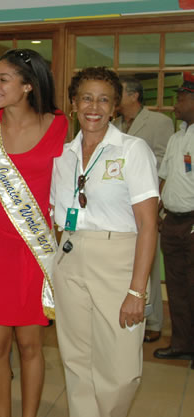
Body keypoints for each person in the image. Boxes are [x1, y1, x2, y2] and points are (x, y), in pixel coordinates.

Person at [51, 66, 158, 417]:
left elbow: (148, 226)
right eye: (86, 98)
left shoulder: (132, 149)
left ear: (114, 108)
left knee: (121, 368)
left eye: (103, 100)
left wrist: (137, 291)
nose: (93, 107)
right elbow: (58, 215)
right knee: (77, 360)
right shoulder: (64, 156)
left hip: (117, 260)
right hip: (71, 255)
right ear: (73, 103)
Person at [0, 49, 67, 417]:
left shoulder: (59, 125)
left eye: (3, 79)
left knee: (30, 345)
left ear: (28, 86)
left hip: (34, 247)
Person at [113, 75, 174, 343]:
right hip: (116, 207)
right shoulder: (114, 123)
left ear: (135, 95)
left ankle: (154, 322)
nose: (115, 98)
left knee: (148, 266)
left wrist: (156, 201)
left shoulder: (159, 122)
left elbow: (165, 163)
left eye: (119, 93)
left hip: (146, 202)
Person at [153, 72, 194, 362]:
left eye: (180, 98)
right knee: (178, 289)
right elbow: (164, 176)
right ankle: (182, 343)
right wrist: (158, 210)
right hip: (173, 222)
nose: (175, 104)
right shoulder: (178, 136)